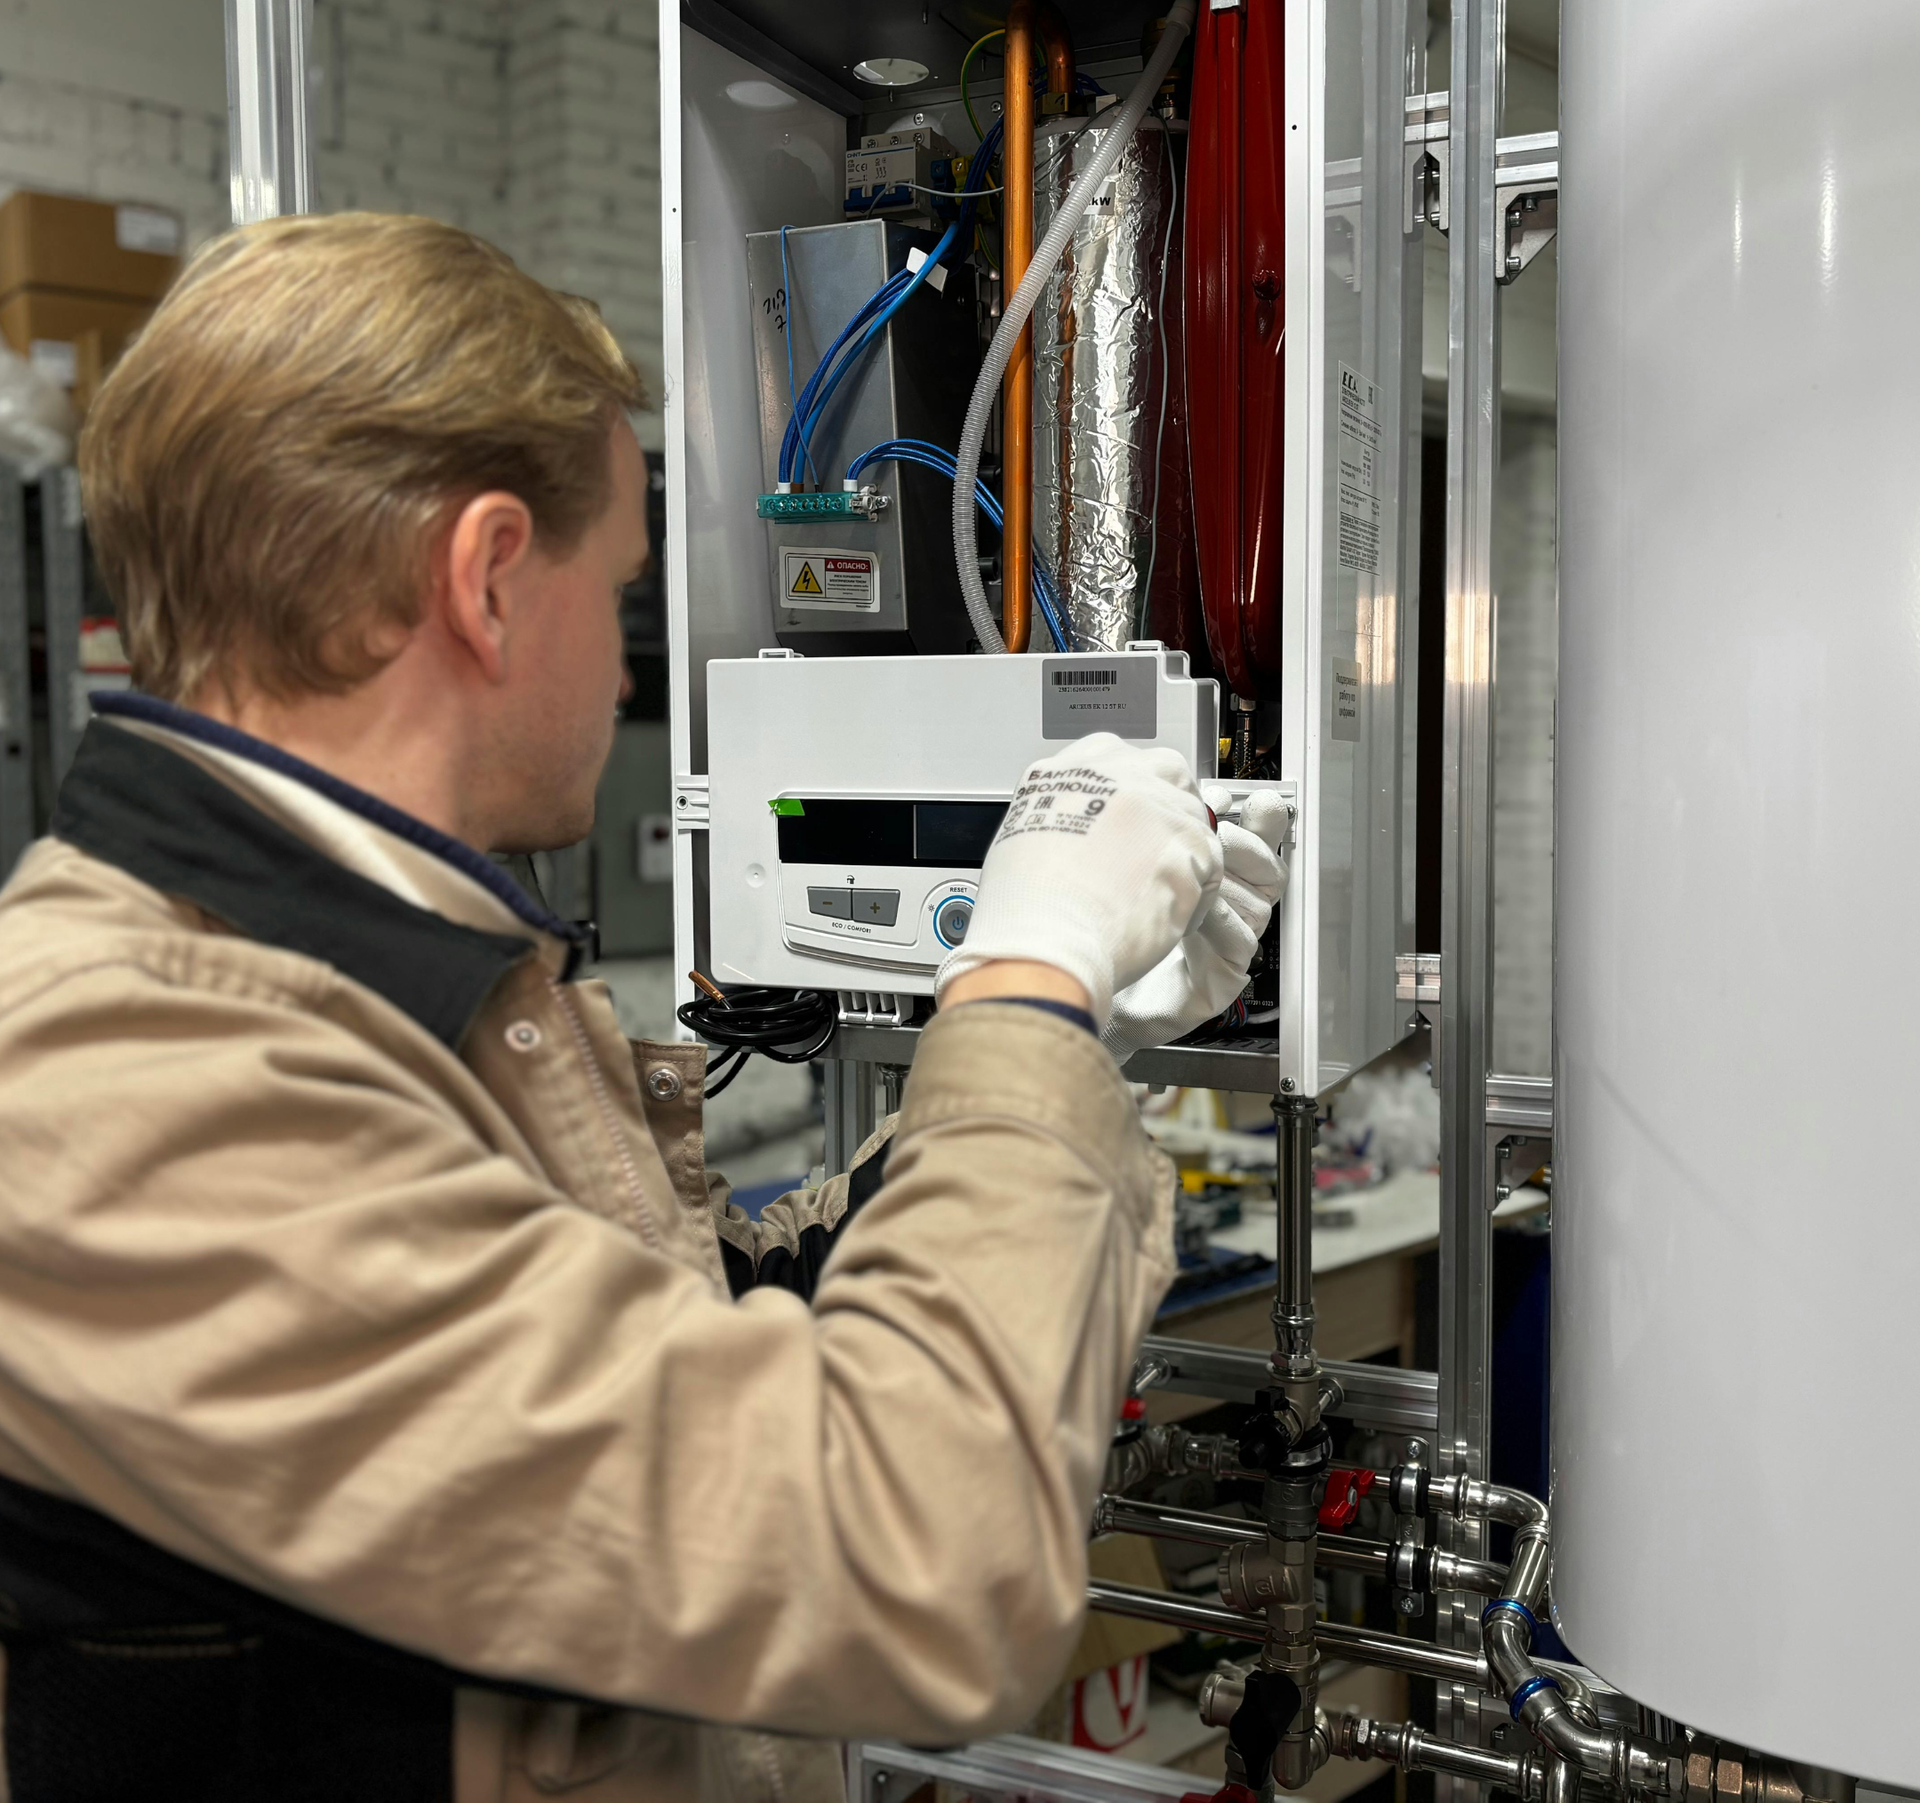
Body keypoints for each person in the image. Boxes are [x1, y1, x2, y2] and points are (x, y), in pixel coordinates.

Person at [0, 213, 1289, 1802]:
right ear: (482, 579)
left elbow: (686, 1326)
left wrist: (1083, 1037)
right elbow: (905, 1558)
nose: (623, 681)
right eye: (617, 595)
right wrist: (1020, 988)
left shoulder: (377, 965)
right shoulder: (122, 1066)